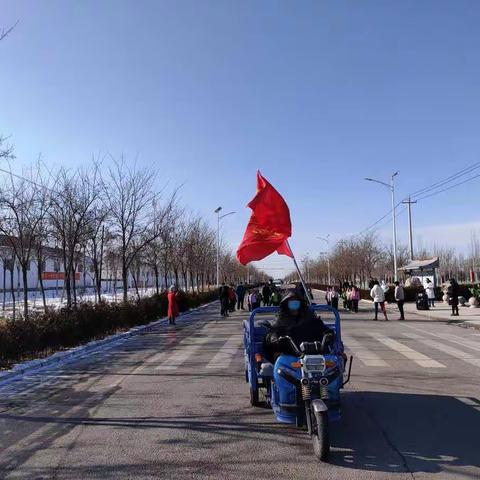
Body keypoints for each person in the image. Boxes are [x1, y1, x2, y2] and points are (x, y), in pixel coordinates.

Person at [263, 291, 331, 364]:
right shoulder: (281, 318)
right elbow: (273, 331)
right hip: (289, 355)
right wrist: (274, 338)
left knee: (334, 362)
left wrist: (328, 334)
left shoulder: (309, 316)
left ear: (301, 304)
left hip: (312, 354)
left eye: (296, 303)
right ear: (286, 305)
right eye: (291, 304)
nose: (294, 307)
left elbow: (321, 327)